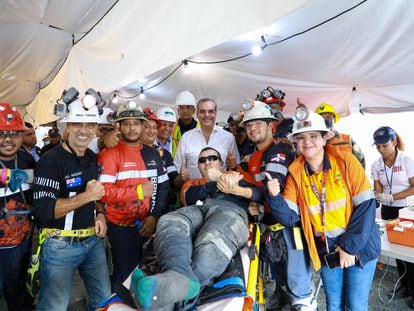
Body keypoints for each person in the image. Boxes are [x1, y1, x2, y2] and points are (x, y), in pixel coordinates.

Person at [268, 110, 380, 310]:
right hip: (327, 248)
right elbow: (290, 218)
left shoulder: (346, 161)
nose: (307, 142)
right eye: (301, 137)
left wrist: (348, 248)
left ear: (324, 137)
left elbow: (366, 206)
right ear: (295, 142)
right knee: (334, 305)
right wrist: (274, 197)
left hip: (360, 244)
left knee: (355, 305)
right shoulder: (295, 173)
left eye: (313, 136)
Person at [129, 147, 251, 310]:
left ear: (222, 163)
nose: (207, 162)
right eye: (202, 160)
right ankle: (177, 275)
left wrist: (236, 187)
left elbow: (259, 193)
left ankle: (167, 302)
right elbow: (189, 196)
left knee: (211, 237)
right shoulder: (190, 184)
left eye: (212, 158)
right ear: (198, 167)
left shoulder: (239, 176)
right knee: (170, 220)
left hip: (230, 210)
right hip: (197, 210)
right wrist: (217, 180)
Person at [226, 100, 316, 310]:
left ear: (271, 126)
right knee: (281, 281)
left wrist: (242, 192)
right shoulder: (254, 157)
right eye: (249, 124)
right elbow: (253, 184)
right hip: (271, 228)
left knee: (299, 287)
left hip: (290, 227)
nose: (252, 128)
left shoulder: (279, 150)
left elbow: (270, 189)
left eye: (258, 123)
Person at [32, 95, 111, 310]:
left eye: (90, 124)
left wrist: (100, 213)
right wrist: (87, 196)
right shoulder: (50, 161)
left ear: (96, 128)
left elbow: (97, 196)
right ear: (66, 126)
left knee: (103, 299)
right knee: (55, 305)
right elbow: (43, 211)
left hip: (92, 241)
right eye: (77, 123)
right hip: (60, 245)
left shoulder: (92, 158)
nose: (84, 130)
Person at [97, 101, 169, 289]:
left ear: (142, 125)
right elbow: (103, 193)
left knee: (147, 275)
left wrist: (154, 216)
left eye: (136, 123)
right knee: (124, 276)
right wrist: (137, 192)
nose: (132, 128)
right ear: (118, 126)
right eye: (126, 123)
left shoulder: (153, 154)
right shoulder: (109, 154)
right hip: (121, 228)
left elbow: (163, 188)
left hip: (148, 226)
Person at [371, 126, 414, 307]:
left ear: (394, 142)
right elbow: (377, 185)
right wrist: (379, 194)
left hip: (404, 209)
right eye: (378, 146)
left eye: (384, 145)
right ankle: (404, 285)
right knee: (396, 249)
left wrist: (393, 197)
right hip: (388, 210)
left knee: (409, 252)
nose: (381, 149)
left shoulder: (406, 160)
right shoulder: (376, 164)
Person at [0, 103, 35, 311]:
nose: (8, 139)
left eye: (14, 134)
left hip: (23, 240)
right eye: (2, 133)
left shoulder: (26, 159)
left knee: (20, 289)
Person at [174, 97, 240, 180]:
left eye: (211, 111)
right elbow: (177, 168)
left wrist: (234, 165)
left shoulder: (228, 137)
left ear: (216, 113)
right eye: (202, 111)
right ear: (197, 113)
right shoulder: (186, 137)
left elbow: (237, 167)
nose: (207, 115)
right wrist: (181, 177)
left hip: (221, 190)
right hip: (194, 190)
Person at [315, 102, 366, 168]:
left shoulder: (347, 140)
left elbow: (361, 161)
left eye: (328, 117)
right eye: (321, 118)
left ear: (334, 119)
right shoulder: (312, 142)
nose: (325, 120)